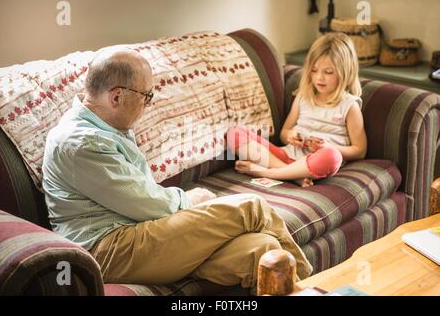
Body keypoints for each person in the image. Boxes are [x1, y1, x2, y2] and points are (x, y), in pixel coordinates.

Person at [42, 48, 312, 291]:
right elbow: (145, 203)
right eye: (147, 95)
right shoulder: (80, 143)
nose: (149, 104)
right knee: (252, 207)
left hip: (143, 233)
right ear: (117, 96)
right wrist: (191, 200)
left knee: (262, 249)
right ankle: (314, 288)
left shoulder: (106, 126)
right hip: (111, 247)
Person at [226, 33, 367, 187]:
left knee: (333, 156)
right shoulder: (303, 97)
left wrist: (330, 147)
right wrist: (291, 136)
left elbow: (360, 150)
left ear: (345, 73)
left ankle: (268, 172)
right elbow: (284, 133)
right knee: (234, 134)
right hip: (287, 156)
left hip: (316, 163)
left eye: (328, 72)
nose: (319, 78)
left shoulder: (349, 105)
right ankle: (291, 175)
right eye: (314, 70)